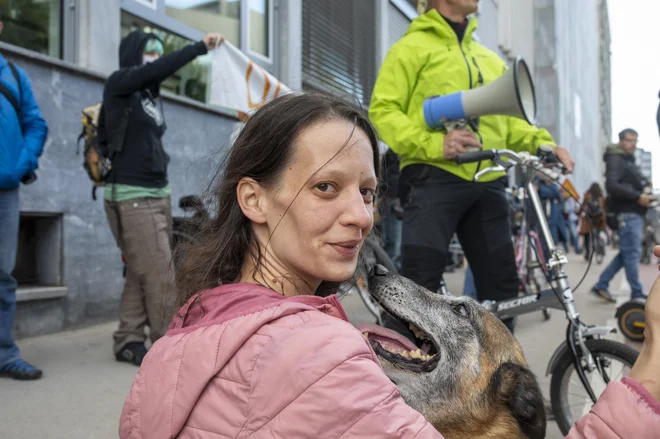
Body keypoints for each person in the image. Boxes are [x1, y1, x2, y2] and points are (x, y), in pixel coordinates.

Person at [118, 93, 660, 439]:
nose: (360, 216)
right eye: (326, 188)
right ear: (254, 199)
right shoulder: (318, 355)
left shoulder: (190, 332)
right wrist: (654, 360)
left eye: (369, 192)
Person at [368, 0, 574, 332]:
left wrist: (543, 143)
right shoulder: (409, 48)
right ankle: (399, 373)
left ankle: (493, 379)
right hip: (433, 176)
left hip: (488, 180)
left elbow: (510, 124)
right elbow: (384, 112)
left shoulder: (490, 59)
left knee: (502, 288)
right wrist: (436, 144)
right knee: (418, 286)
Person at [101, 29, 224, 366]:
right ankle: (169, 348)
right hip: (131, 195)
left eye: (158, 51)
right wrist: (199, 48)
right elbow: (153, 72)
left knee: (142, 269)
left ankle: (127, 338)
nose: (154, 57)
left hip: (156, 193)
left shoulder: (149, 96)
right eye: (149, 51)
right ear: (133, 55)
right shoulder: (120, 83)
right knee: (159, 273)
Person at [0, 17, 49, 380]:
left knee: (3, 274)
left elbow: (36, 123)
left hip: (6, 190)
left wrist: (22, 162)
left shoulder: (14, 75)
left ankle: (4, 353)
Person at [592, 129, 651, 303]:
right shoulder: (616, 158)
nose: (632, 144)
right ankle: (637, 293)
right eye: (629, 140)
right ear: (620, 141)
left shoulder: (625, 159)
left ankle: (601, 285)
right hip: (627, 213)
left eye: (635, 141)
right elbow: (612, 185)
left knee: (626, 253)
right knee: (631, 254)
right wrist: (637, 196)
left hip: (632, 213)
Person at [538, 179, 569, 253]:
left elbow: (555, 193)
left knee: (553, 240)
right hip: (544, 219)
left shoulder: (552, 189)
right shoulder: (541, 186)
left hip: (551, 220)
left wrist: (543, 187)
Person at [580, 182, 607, 262]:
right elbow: (605, 208)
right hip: (599, 219)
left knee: (587, 236)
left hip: (589, 219)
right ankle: (601, 249)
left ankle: (588, 253)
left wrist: (578, 213)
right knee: (599, 235)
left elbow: (583, 206)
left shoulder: (587, 195)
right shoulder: (601, 196)